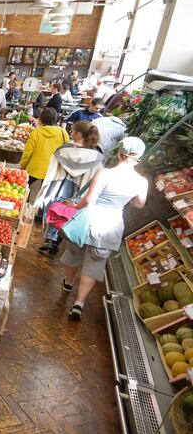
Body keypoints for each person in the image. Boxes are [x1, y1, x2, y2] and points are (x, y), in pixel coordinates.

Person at [61, 137, 148, 319]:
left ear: (119, 153)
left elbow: (90, 199)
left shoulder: (105, 173)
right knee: (94, 263)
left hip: (89, 219)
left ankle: (68, 283)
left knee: (75, 252)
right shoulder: (141, 182)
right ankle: (79, 303)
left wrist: (74, 207)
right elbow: (139, 204)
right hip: (112, 223)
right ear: (139, 156)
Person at [34, 121, 104, 256]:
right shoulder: (97, 157)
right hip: (78, 191)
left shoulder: (63, 151)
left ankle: (49, 239)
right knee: (68, 215)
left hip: (59, 186)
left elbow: (52, 170)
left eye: (72, 131)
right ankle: (57, 241)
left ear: (78, 134)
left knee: (55, 212)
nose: (70, 133)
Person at [20, 108, 70, 188]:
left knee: (24, 188)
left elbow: (28, 152)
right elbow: (67, 151)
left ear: (41, 119)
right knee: (45, 193)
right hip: (53, 169)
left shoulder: (36, 132)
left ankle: (26, 200)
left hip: (34, 168)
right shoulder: (62, 133)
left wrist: (22, 165)